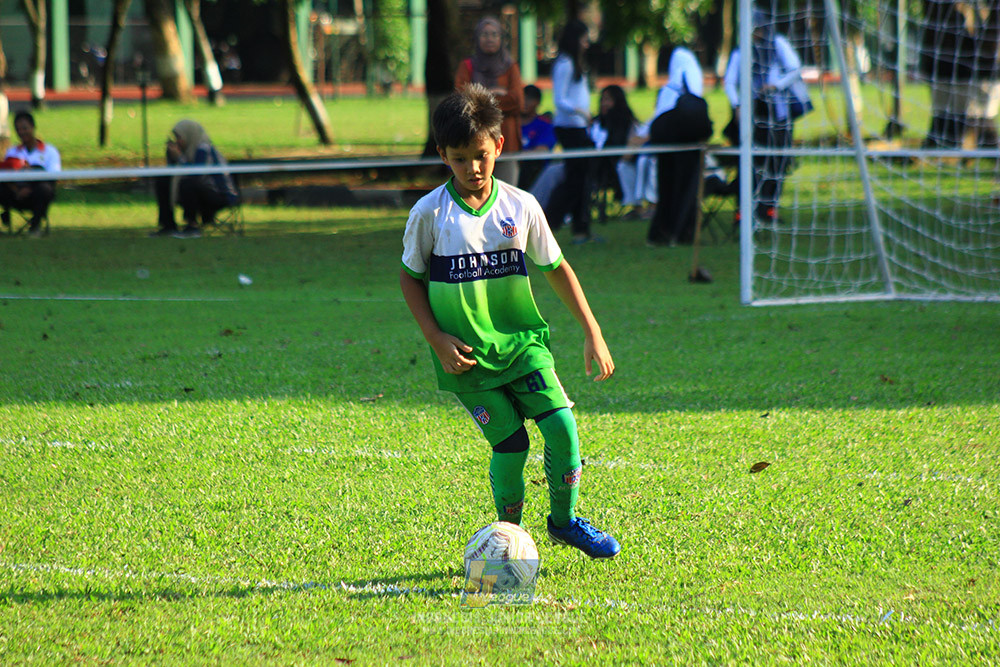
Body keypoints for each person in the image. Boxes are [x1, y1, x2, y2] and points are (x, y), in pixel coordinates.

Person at [399, 83, 620, 559]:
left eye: (480, 155)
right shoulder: (429, 214)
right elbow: (409, 278)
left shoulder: (521, 206)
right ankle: (508, 541)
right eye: (459, 159)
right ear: (442, 155)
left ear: (499, 145)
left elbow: (557, 269)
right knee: (513, 445)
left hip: (523, 345)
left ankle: (563, 522)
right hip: (469, 360)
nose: (472, 168)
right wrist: (436, 338)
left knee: (562, 428)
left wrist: (592, 332)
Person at [723, 9, 803, 224]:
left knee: (777, 161)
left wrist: (776, 85)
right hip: (753, 114)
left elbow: (795, 68)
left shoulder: (777, 44)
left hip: (778, 114)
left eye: (757, 30)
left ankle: (769, 209)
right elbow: (730, 81)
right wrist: (737, 104)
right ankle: (743, 211)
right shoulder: (741, 52)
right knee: (750, 162)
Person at [647, 45, 713, 245]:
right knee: (682, 192)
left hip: (672, 153)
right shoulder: (688, 99)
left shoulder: (668, 93)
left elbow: (656, 126)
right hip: (685, 153)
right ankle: (679, 232)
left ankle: (670, 232)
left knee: (670, 191)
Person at [454, 16, 523, 186]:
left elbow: (516, 101)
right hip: (474, 141)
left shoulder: (510, 66)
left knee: (507, 192)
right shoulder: (468, 66)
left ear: (501, 38)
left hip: (506, 141)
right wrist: (497, 93)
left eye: (494, 34)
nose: (489, 39)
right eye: (485, 34)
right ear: (477, 38)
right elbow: (462, 101)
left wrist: (480, 95)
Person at [546, 19, 598, 243]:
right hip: (569, 128)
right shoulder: (565, 64)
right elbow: (560, 100)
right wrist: (581, 112)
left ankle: (580, 228)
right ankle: (552, 220)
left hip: (577, 127)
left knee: (581, 179)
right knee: (576, 180)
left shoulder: (574, 63)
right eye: (583, 39)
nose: (586, 44)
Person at [150, 119, 239, 238]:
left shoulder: (204, 149)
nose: (178, 141)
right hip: (197, 192)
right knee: (163, 181)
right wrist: (171, 156)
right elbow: (175, 172)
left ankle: (192, 225)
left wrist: (180, 158)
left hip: (219, 194)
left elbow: (197, 174)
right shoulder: (187, 150)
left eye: (179, 137)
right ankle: (168, 225)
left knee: (188, 184)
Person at [0, 111, 60, 237]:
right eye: (18, 129)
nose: (21, 132)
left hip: (37, 195)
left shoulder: (50, 152)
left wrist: (30, 188)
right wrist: (17, 190)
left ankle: (35, 227)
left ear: (33, 128)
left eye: (25, 128)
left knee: (45, 189)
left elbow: (53, 177)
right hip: (15, 195)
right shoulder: (12, 152)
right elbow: (5, 176)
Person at [588, 84, 646, 214]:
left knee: (624, 167)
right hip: (597, 165)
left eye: (608, 100)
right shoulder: (596, 123)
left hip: (615, 165)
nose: (604, 104)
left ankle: (636, 206)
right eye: (602, 100)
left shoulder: (628, 123)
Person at [518, 84, 557, 191]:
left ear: (538, 102)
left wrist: (517, 155)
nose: (525, 102)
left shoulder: (545, 124)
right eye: (523, 98)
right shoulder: (510, 124)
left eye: (530, 99)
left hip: (535, 173)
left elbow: (542, 150)